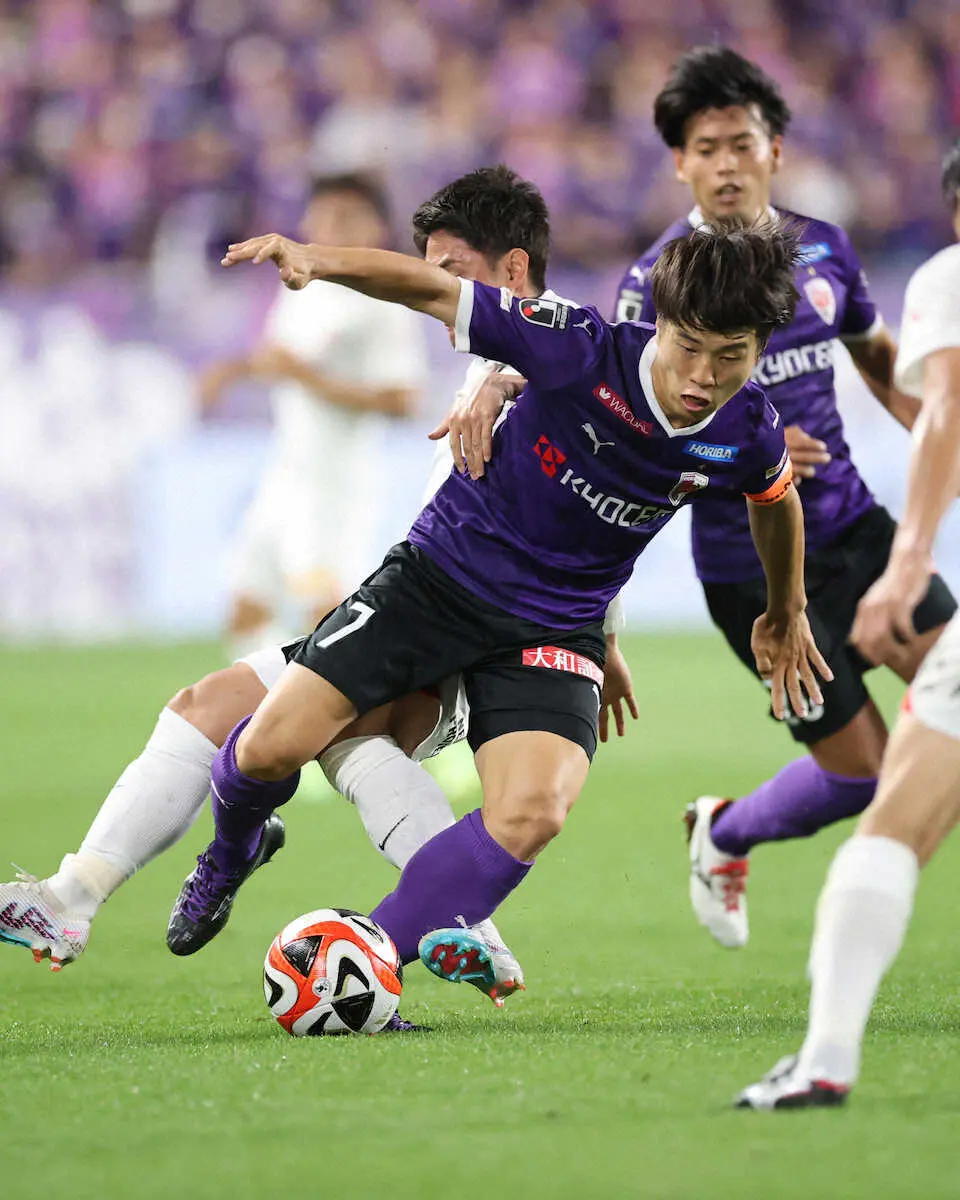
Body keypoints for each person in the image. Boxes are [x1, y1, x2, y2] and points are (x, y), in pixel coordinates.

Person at [0, 168, 635, 1011]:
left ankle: (447, 907)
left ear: (511, 271)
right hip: (419, 587)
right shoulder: (491, 356)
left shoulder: (558, 356)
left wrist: (604, 639)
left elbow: (617, 464)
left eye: (452, 268)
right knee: (213, 708)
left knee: (330, 735)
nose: (436, 287)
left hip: (458, 613)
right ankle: (81, 896)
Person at [170, 213, 829, 986]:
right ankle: (231, 849)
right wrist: (317, 260)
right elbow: (433, 287)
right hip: (441, 578)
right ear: (661, 325)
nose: (702, 379)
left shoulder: (747, 426)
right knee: (269, 746)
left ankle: (364, 958)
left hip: (558, 626)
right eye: (688, 348)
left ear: (759, 350)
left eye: (732, 358)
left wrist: (786, 610)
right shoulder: (577, 346)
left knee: (534, 810)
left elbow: (774, 498)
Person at [615, 46, 956, 949]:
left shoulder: (825, 249)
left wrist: (935, 438)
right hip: (752, 570)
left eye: (742, 142)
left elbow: (882, 360)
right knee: (861, 774)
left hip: (860, 533)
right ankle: (722, 834)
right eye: (706, 147)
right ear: (680, 163)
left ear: (775, 150)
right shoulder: (653, 283)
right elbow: (624, 435)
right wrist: (744, 453)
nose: (726, 162)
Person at [737, 139, 960, 1109]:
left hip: (858, 549)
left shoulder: (951, 278)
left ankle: (826, 1060)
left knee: (892, 827)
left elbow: (946, 407)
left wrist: (907, 561)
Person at [197, 173, 427, 657]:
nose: (331, 225)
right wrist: (231, 371)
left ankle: (341, 721)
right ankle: (265, 717)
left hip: (335, 482)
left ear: (375, 228)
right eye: (324, 214)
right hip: (286, 471)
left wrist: (309, 378)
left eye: (347, 216)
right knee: (245, 606)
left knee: (324, 613)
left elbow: (404, 400)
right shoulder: (301, 286)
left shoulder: (383, 302)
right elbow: (279, 358)